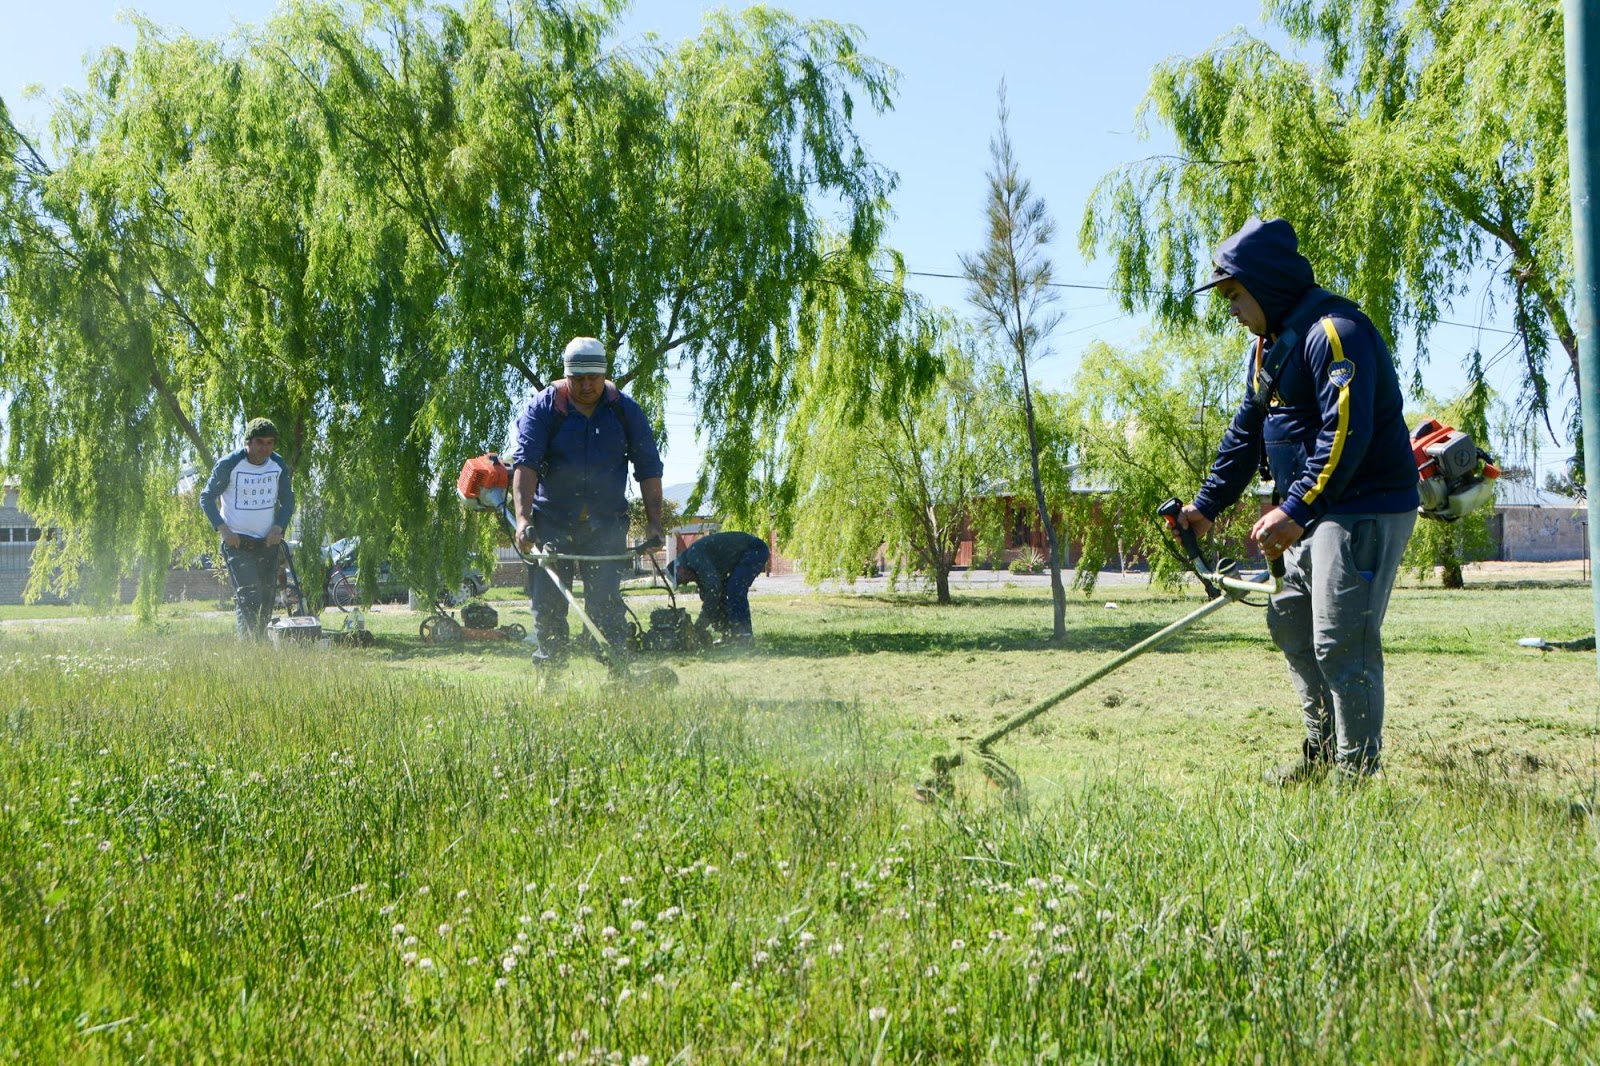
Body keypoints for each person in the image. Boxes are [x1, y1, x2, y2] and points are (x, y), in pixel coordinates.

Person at [1179, 218, 1418, 782]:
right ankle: (1322, 754)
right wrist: (1206, 505)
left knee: (1340, 643)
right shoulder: (1268, 349)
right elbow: (1247, 431)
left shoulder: (1335, 332)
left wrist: (1295, 510)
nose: (1231, 309)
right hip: (1310, 511)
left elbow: (1346, 433)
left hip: (1361, 507)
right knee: (1290, 624)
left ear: (1266, 284)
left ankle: (1355, 779)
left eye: (1235, 295)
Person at [509, 337, 665, 665]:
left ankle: (617, 674)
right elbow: (526, 465)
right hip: (551, 523)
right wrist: (523, 519)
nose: (585, 386)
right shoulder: (544, 408)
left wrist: (655, 523)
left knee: (606, 605)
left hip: (605, 524)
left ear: (604, 374)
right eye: (577, 379)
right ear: (567, 376)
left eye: (592, 378)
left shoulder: (625, 411)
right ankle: (551, 677)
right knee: (549, 606)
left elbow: (648, 467)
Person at [200, 417, 296, 640]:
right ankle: (251, 645)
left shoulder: (278, 465)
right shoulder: (229, 464)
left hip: (267, 542)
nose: (265, 448)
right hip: (237, 543)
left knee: (265, 598)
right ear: (248, 442)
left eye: (270, 443)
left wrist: (279, 527)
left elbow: (288, 500)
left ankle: (256, 644)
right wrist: (224, 530)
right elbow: (206, 498)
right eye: (260, 442)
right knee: (249, 596)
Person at [667, 531, 771, 644]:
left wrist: (701, 624)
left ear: (679, 569)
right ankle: (728, 633)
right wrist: (703, 622)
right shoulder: (693, 565)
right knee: (712, 596)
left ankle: (744, 636)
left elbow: (714, 588)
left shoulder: (694, 556)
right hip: (745, 555)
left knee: (734, 589)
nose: (685, 583)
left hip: (755, 549)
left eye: (681, 581)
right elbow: (710, 596)